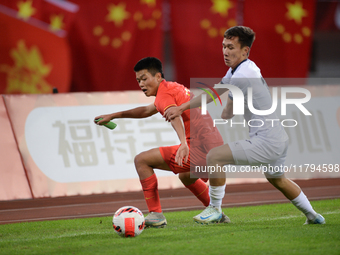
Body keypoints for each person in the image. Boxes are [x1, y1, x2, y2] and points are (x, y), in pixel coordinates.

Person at [164, 26, 325, 225]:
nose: (225, 51)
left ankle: (215, 209)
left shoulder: (242, 76)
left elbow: (223, 107)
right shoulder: (244, 68)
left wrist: (180, 109)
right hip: (278, 138)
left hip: (266, 141)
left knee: (214, 156)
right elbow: (218, 95)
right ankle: (314, 216)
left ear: (245, 51)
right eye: (223, 46)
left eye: (231, 47)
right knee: (278, 179)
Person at [94, 57, 227, 228]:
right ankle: (216, 211)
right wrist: (114, 115)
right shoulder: (172, 87)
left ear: (157, 77)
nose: (141, 84)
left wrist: (183, 144)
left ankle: (156, 214)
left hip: (201, 148)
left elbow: (174, 115)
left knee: (142, 160)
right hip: (213, 145)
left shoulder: (164, 94)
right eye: (138, 80)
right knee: (186, 175)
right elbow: (147, 110)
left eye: (144, 78)